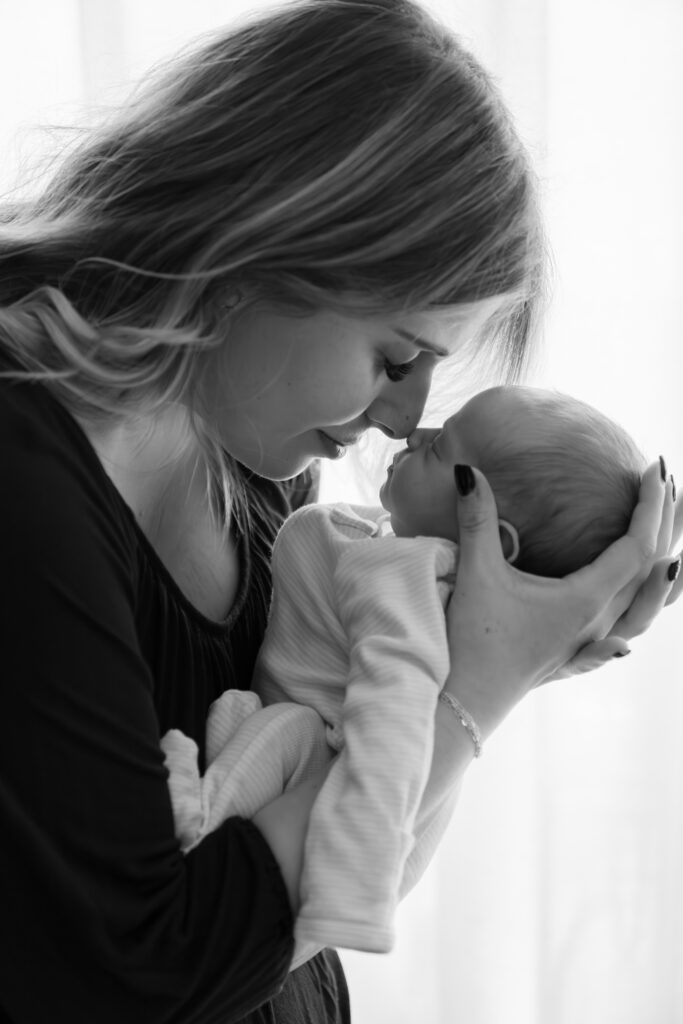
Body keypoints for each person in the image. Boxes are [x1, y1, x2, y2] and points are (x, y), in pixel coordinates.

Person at [0, 0, 679, 1021]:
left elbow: (325, 892)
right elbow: (142, 968)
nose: (406, 418)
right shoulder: (24, 478)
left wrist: (497, 641)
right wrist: (470, 697)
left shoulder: (265, 473)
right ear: (266, 244)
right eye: (396, 358)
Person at [160, 383, 669, 965]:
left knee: (282, 730)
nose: (414, 433)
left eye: (440, 449)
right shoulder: (422, 567)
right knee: (242, 718)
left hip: (346, 782)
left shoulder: (408, 575)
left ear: (491, 542)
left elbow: (394, 701)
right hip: (390, 806)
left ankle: (196, 819)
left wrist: (356, 881)